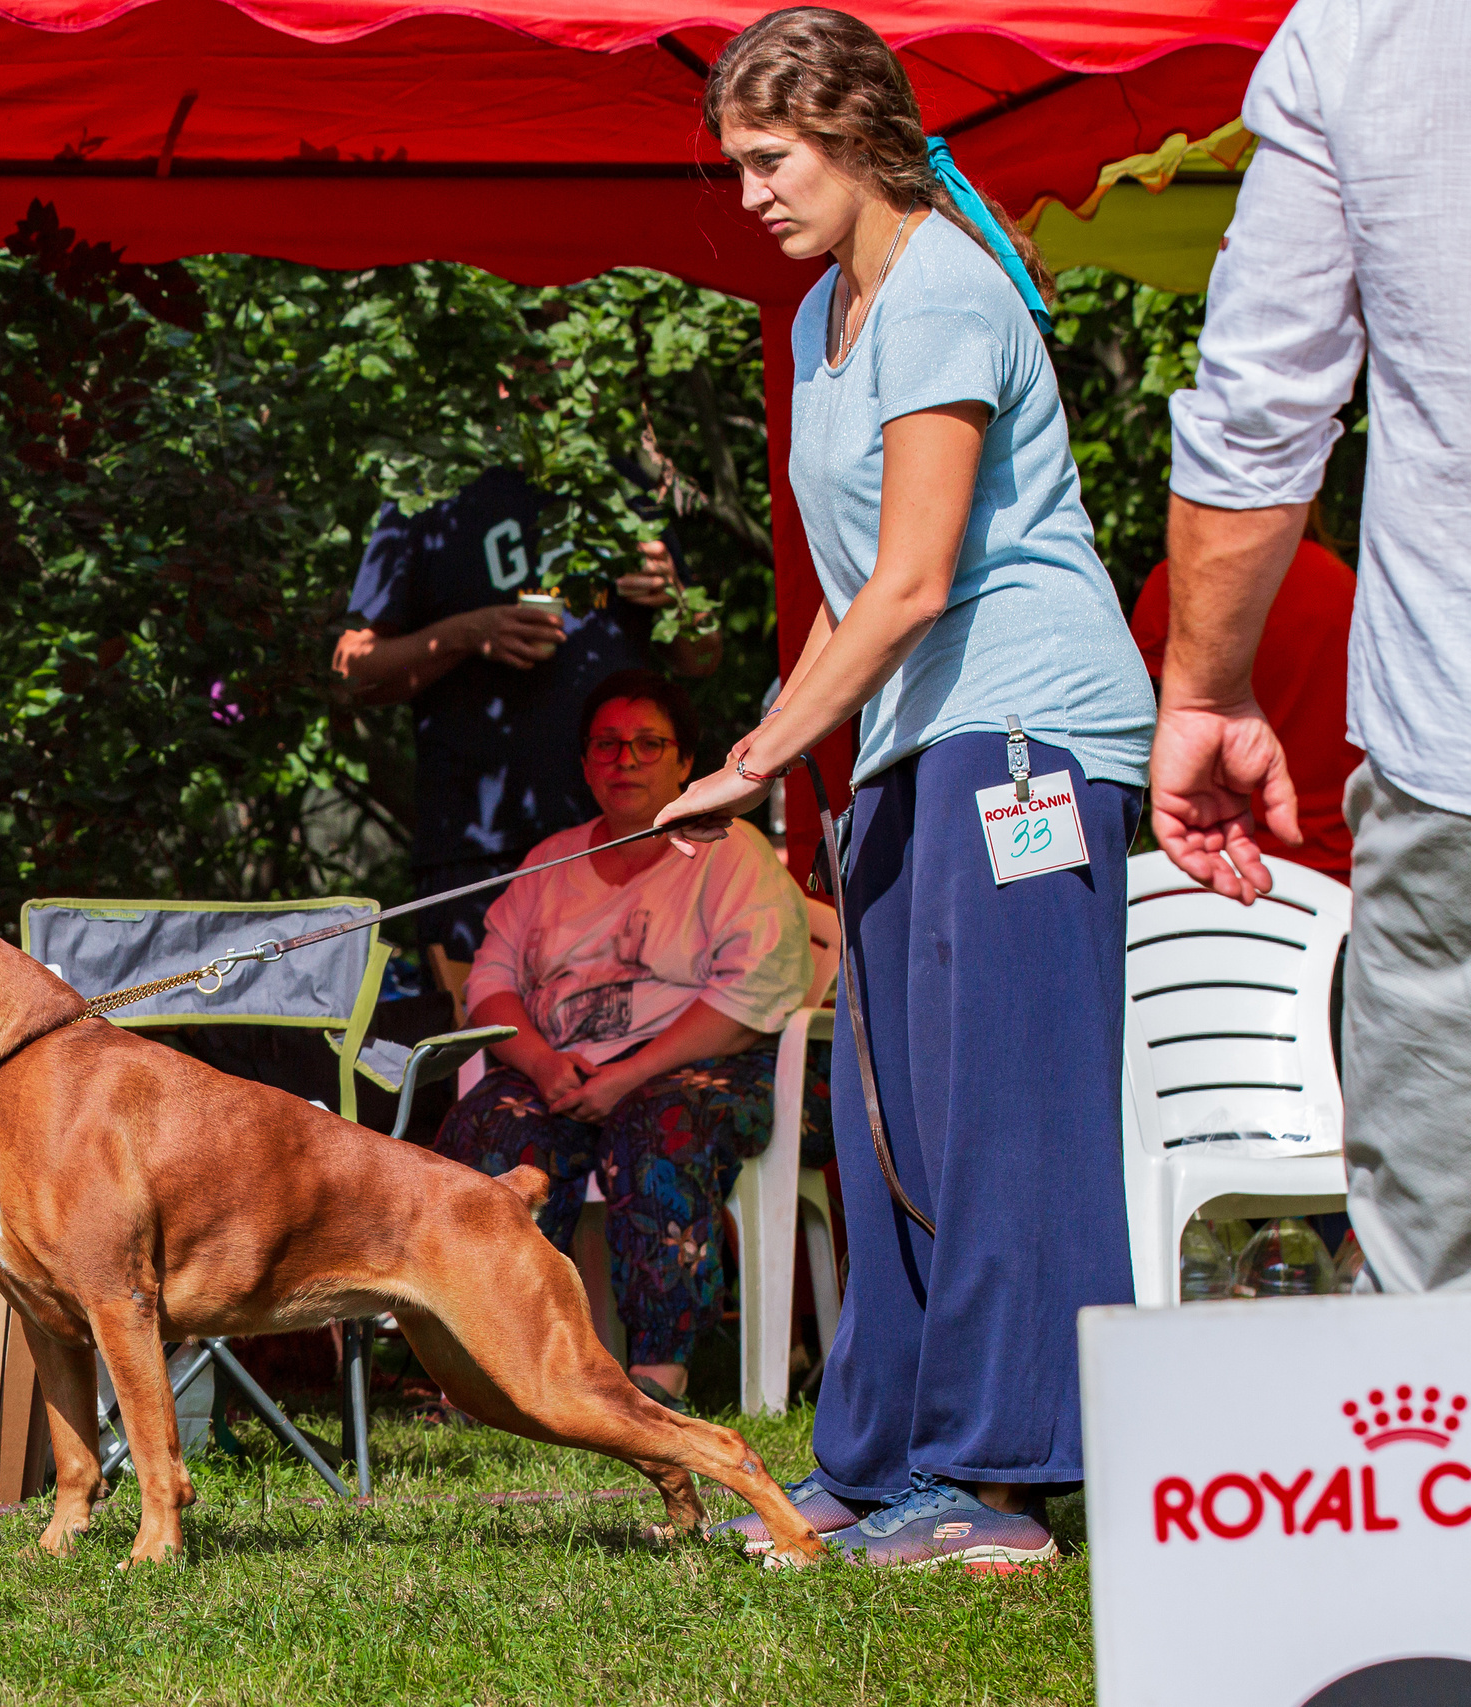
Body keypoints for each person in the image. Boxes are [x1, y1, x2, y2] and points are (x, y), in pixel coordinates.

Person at [665, 9, 1154, 1568]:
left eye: (770, 159)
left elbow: (920, 579)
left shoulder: (942, 284)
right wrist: (768, 747)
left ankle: (999, 1480)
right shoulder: (825, 310)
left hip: (1022, 730)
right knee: (886, 1123)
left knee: (1001, 1108)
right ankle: (880, 1456)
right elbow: (848, 591)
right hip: (910, 740)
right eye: (737, 164)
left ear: (855, 132)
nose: (749, 193)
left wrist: (754, 760)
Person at [1154, 0, 1471, 1295]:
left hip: (1451, 743)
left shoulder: (1363, 31)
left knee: (1437, 1276)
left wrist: (1201, 690)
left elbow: (1260, 412)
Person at [435, 670, 812, 1405]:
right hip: (563, 1072)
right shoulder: (549, 863)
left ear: (685, 761)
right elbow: (489, 983)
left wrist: (628, 1075)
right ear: (585, 764)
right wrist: (544, 1066)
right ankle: (491, 1373)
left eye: (648, 744)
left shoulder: (730, 853)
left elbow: (751, 994)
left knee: (657, 1123)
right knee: (488, 1124)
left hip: (700, 1067)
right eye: (607, 745)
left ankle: (656, 1380)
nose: (626, 760)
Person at [330, 467, 719, 973]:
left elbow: (702, 658)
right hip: (481, 844)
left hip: (621, 835)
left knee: (624, 1012)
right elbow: (351, 671)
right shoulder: (430, 488)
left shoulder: (614, 479)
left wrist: (677, 599)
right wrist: (468, 634)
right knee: (478, 1016)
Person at [1129, 505, 1361, 880]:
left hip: (1208, 866)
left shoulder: (1177, 585)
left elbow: (1138, 735)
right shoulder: (1345, 584)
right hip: (1337, 874)